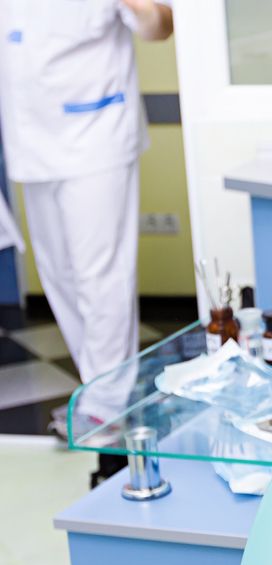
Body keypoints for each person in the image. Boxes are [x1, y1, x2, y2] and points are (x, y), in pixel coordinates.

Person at [0, 1, 172, 475]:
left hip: (96, 134)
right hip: (31, 141)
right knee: (61, 276)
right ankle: (96, 391)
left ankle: (107, 404)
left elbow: (160, 26)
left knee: (101, 274)